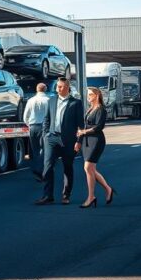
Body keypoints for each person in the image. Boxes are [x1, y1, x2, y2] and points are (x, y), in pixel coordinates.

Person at [36, 77, 84, 205]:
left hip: (68, 140)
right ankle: (47, 196)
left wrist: (79, 141)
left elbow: (81, 125)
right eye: (57, 86)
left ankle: (66, 195)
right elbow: (46, 119)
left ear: (67, 87)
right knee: (48, 166)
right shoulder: (51, 100)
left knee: (67, 167)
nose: (58, 88)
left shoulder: (76, 103)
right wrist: (46, 134)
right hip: (51, 138)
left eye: (61, 86)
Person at [76, 87, 115, 208]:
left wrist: (84, 132)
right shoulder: (89, 110)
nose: (88, 97)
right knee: (90, 169)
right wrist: (79, 141)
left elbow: (99, 127)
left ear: (97, 96)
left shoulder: (101, 110)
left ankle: (91, 197)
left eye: (90, 95)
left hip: (97, 140)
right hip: (87, 141)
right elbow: (83, 127)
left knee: (88, 167)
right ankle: (108, 189)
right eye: (88, 95)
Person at [22, 83, 49, 181]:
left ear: (37, 89)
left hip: (33, 127)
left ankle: (35, 169)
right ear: (45, 89)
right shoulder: (48, 100)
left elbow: (25, 116)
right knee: (44, 150)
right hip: (44, 127)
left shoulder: (30, 100)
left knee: (34, 150)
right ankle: (41, 170)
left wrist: (29, 124)